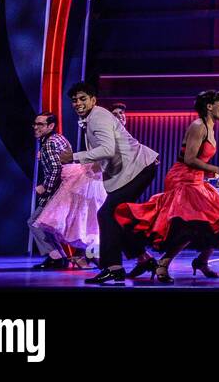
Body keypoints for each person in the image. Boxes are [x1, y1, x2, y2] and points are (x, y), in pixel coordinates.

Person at [115, 90, 219, 283]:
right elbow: (189, 159)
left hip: (195, 180)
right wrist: (217, 169)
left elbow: (198, 160)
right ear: (209, 106)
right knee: (190, 224)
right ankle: (163, 263)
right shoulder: (198, 126)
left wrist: (211, 173)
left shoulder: (210, 128)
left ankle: (202, 261)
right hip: (182, 180)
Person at [60, 81, 160, 285]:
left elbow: (107, 149)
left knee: (106, 213)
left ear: (93, 100)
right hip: (135, 170)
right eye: (74, 100)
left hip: (139, 168)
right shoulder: (92, 118)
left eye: (82, 99)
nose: (77, 103)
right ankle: (144, 259)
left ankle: (113, 267)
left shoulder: (98, 116)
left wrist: (74, 157)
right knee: (116, 216)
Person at [33, 131, 106, 268]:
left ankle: (80, 256)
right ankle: (82, 256)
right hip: (89, 178)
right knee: (86, 220)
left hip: (94, 179)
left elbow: (58, 166)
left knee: (89, 220)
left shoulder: (53, 141)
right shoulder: (56, 140)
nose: (36, 128)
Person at [29, 112, 74, 270]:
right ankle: (59, 257)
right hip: (67, 187)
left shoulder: (49, 143)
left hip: (57, 189)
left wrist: (45, 187)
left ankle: (56, 257)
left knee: (36, 222)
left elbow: (56, 168)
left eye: (40, 124)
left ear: (51, 126)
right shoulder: (58, 138)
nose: (35, 127)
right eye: (35, 124)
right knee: (45, 224)